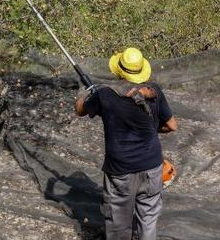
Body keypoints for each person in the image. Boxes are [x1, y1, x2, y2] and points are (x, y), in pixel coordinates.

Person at [75, 47, 177, 240]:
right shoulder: (153, 91)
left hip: (121, 170)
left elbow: (80, 110)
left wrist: (83, 94)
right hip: (152, 166)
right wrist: (150, 127)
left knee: (118, 224)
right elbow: (171, 125)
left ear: (119, 70)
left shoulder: (104, 95)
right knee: (147, 220)